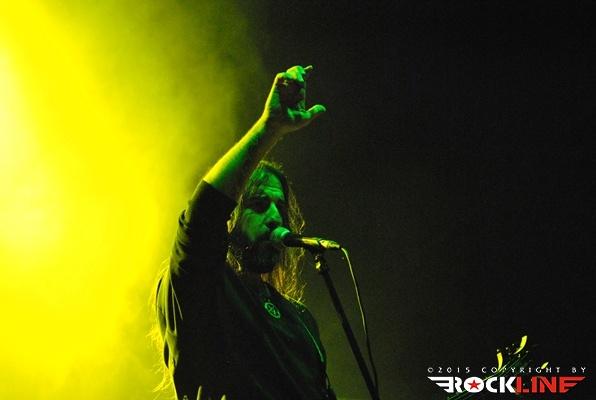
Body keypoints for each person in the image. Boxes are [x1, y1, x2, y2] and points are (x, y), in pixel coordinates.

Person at [154, 65, 336, 400]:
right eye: (258, 204)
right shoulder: (203, 284)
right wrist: (269, 129)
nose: (275, 217)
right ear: (231, 218)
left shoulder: (300, 319)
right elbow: (203, 215)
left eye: (280, 207)